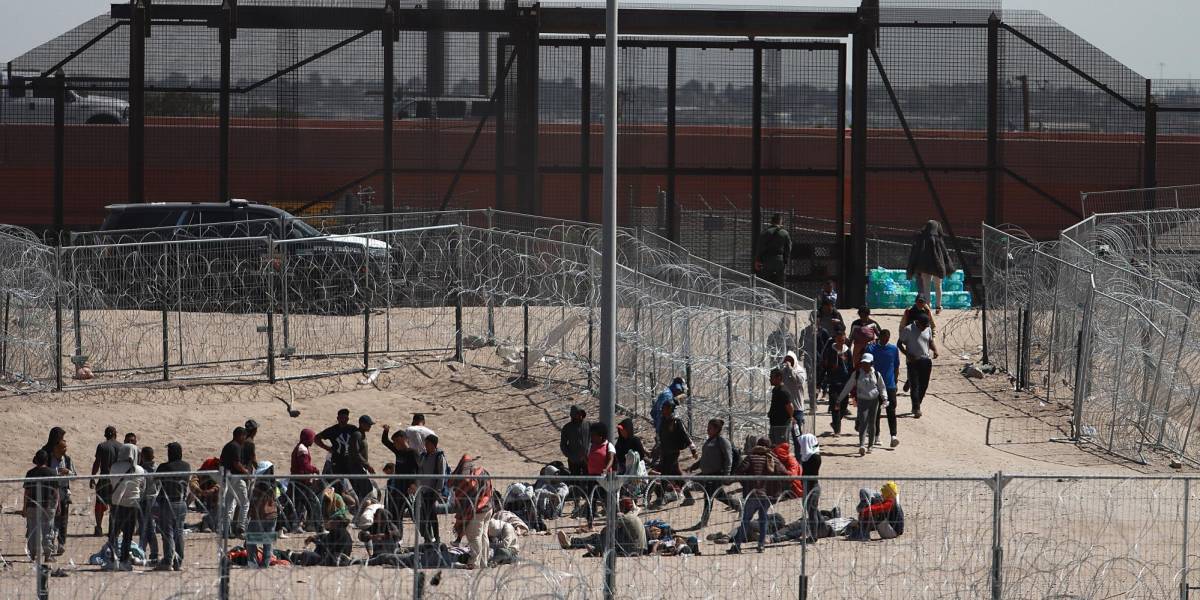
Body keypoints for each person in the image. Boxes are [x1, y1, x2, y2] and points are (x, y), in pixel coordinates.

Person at [727, 438, 785, 554]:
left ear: (757, 445)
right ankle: (761, 545)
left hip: (752, 494)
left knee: (745, 521)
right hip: (766, 496)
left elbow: (739, 471)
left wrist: (746, 483)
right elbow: (784, 472)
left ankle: (737, 545)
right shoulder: (772, 458)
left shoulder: (751, 457)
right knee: (763, 521)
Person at [687, 418, 739, 528]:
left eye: (710, 428)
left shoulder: (722, 441)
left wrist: (726, 475)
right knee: (720, 496)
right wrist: (695, 465)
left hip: (716, 475)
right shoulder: (709, 441)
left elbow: (729, 459)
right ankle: (739, 507)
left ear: (716, 429)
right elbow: (705, 458)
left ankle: (703, 522)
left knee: (709, 497)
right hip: (707, 475)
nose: (707, 430)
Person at [556, 497, 647, 558]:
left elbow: (606, 530)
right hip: (640, 549)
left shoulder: (625, 517)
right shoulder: (634, 516)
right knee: (608, 536)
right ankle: (595, 548)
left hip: (629, 549)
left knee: (598, 537)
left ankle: (572, 542)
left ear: (623, 508)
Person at [836, 353, 887, 456]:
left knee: (872, 423)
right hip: (862, 401)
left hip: (874, 401)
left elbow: (882, 387)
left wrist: (885, 399)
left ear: (871, 363)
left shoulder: (877, 374)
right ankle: (862, 445)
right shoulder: (857, 374)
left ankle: (870, 445)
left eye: (867, 363)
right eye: (863, 363)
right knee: (863, 422)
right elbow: (848, 386)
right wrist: (839, 399)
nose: (864, 365)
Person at [451, 455, 494, 569]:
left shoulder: (469, 480)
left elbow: (468, 497)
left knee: (474, 537)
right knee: (483, 536)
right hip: (487, 507)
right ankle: (483, 562)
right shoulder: (482, 473)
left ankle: (474, 562)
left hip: (478, 510)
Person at [107, 443, 145, 571]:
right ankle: (124, 560)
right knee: (128, 535)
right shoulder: (139, 469)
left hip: (116, 504)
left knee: (113, 534)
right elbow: (142, 487)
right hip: (131, 505)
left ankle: (112, 560)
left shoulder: (113, 467)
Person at [652, 401, 697, 507]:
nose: (663, 410)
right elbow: (661, 437)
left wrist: (693, 449)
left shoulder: (676, 422)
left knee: (664, 474)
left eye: (665, 408)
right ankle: (689, 497)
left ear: (670, 409)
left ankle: (660, 498)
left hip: (673, 453)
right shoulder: (663, 421)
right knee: (676, 476)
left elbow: (686, 436)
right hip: (665, 453)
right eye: (663, 408)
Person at [155, 442, 191, 571]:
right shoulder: (186, 466)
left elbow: (155, 481)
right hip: (181, 503)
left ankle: (168, 561)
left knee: (167, 533)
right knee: (179, 533)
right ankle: (178, 561)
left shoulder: (164, 467)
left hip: (167, 503)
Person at [381, 423, 420, 536]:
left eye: (397, 441)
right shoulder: (398, 451)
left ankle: (428, 537)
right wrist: (386, 431)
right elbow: (385, 441)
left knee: (415, 515)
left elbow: (418, 470)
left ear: (404, 439)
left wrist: (414, 484)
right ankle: (398, 536)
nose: (395, 444)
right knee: (397, 513)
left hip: (410, 488)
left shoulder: (413, 453)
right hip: (399, 487)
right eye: (394, 442)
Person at [906, 220, 953, 314]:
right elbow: (944, 253)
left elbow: (915, 252)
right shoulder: (938, 239)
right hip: (938, 266)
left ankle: (927, 307)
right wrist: (948, 265)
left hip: (924, 266)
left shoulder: (921, 238)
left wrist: (914, 265)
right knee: (938, 286)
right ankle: (938, 306)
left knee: (926, 287)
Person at [866, 329, 902, 448]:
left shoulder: (893, 349)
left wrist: (895, 382)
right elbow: (865, 365)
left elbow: (896, 366)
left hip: (890, 385)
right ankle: (876, 435)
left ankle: (893, 436)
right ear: (879, 337)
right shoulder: (871, 349)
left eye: (887, 338)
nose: (885, 340)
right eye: (883, 338)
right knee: (876, 412)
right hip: (875, 385)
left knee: (891, 411)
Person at [898, 315, 938, 419]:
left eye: (926, 326)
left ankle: (917, 403)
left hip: (926, 360)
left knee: (924, 385)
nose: (924, 328)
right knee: (915, 385)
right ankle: (916, 408)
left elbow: (930, 341)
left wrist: (935, 350)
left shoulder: (927, 329)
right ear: (917, 322)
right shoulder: (908, 329)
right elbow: (899, 344)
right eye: (923, 326)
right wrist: (907, 354)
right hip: (912, 362)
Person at [42, 427, 73, 556]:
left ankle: (61, 543)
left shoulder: (67, 459)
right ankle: (50, 543)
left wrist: (68, 473)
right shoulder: (46, 454)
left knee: (63, 519)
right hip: (50, 491)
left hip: (64, 491)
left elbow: (74, 474)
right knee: (51, 519)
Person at [24, 450, 59, 564]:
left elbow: (27, 492)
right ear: (46, 460)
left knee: (32, 531)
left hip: (32, 505)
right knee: (48, 531)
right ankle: (48, 555)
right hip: (48, 506)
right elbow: (55, 492)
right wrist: (57, 506)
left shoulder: (30, 473)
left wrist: (24, 507)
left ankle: (33, 554)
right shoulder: (53, 473)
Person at [582, 423, 615, 529]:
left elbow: (611, 459)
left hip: (604, 478)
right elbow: (589, 460)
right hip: (592, 477)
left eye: (594, 435)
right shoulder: (592, 446)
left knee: (607, 500)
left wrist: (606, 469)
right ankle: (590, 523)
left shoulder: (608, 445)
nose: (592, 437)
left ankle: (611, 522)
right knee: (591, 500)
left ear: (601, 436)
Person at [90, 426, 122, 537]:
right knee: (115, 505)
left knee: (99, 504)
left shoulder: (102, 446)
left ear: (105, 435)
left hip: (104, 478)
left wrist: (92, 477)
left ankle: (98, 528)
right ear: (115, 434)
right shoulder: (121, 446)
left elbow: (97, 463)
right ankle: (113, 529)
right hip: (117, 479)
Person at [289, 429, 321, 534]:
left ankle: (299, 524)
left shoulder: (301, 447)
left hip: (300, 480)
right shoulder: (302, 450)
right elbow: (305, 466)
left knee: (300, 503)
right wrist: (315, 470)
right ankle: (314, 525)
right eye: (311, 438)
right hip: (301, 482)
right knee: (311, 503)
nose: (313, 440)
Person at [417, 434, 447, 544]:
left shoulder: (439, 457)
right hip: (423, 489)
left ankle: (436, 538)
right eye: (425, 443)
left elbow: (442, 475)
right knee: (426, 515)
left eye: (428, 444)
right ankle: (428, 538)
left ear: (434, 445)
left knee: (431, 514)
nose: (426, 446)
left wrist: (438, 491)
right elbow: (420, 469)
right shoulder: (424, 455)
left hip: (432, 490)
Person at [220, 427, 251, 536]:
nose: (244, 439)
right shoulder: (236, 446)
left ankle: (226, 530)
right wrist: (247, 473)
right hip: (236, 478)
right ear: (240, 436)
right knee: (245, 503)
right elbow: (236, 464)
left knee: (229, 504)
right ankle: (241, 528)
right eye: (244, 437)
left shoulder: (228, 446)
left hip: (227, 478)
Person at [822, 328, 853, 435]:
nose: (841, 342)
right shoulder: (830, 350)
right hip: (833, 382)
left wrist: (852, 380)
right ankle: (837, 429)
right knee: (835, 404)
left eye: (843, 340)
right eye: (839, 340)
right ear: (836, 339)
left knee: (843, 407)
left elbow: (851, 366)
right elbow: (824, 365)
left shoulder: (847, 350)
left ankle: (835, 423)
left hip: (845, 382)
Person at [246, 471, 278, 568]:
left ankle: (253, 562)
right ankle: (265, 563)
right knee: (267, 541)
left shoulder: (258, 487)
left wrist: (250, 514)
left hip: (259, 516)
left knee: (250, 538)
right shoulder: (273, 485)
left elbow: (253, 502)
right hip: (272, 516)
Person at [288, 518, 353, 566]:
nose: (329, 522)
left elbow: (325, 546)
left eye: (332, 521)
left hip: (331, 561)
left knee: (305, 554)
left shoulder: (336, 531)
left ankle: (288, 555)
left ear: (337, 523)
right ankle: (289, 555)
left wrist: (313, 540)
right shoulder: (346, 533)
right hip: (342, 560)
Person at [316, 408, 358, 476]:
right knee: (338, 482)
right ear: (338, 418)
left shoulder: (353, 429)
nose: (343, 420)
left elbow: (360, 440)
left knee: (353, 481)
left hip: (350, 461)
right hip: (337, 461)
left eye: (345, 418)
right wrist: (327, 448)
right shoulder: (332, 430)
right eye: (341, 418)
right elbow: (317, 438)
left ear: (348, 419)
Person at [347, 415, 377, 507]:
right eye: (368, 424)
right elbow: (356, 453)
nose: (370, 426)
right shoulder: (357, 434)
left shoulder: (362, 434)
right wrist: (367, 465)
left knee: (365, 492)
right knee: (366, 491)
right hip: (356, 468)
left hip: (361, 467)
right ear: (361, 424)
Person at [797, 433, 823, 540]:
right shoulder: (807, 456)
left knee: (812, 512)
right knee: (812, 511)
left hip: (812, 487)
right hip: (808, 488)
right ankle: (819, 530)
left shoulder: (814, 457)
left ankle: (813, 536)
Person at [755, 213, 791, 286]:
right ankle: (780, 297)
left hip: (767, 260)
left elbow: (760, 247)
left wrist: (758, 260)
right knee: (781, 283)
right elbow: (788, 248)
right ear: (780, 221)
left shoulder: (765, 232)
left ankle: (766, 296)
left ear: (771, 222)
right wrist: (785, 259)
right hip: (780, 260)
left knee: (765, 282)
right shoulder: (784, 233)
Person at [138, 446, 160, 564]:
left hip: (145, 501)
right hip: (154, 499)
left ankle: (146, 552)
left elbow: (142, 487)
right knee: (149, 527)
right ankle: (146, 551)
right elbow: (159, 485)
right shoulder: (157, 468)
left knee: (146, 527)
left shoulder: (142, 470)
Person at [781, 351, 807, 439]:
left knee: (797, 436)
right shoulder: (783, 372)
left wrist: (791, 369)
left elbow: (799, 381)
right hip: (786, 409)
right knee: (783, 436)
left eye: (790, 360)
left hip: (797, 409)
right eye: (786, 360)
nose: (788, 362)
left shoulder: (800, 371)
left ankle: (799, 452)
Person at [559, 405, 590, 477]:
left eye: (581, 414)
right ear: (573, 415)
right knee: (575, 480)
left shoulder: (588, 425)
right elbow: (563, 444)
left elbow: (593, 440)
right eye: (577, 414)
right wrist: (570, 456)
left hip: (587, 459)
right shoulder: (567, 428)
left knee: (588, 480)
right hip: (574, 460)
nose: (580, 416)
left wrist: (589, 454)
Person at [767, 367, 794, 446]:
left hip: (781, 425)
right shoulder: (776, 390)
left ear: (779, 378)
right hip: (774, 424)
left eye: (772, 377)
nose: (770, 379)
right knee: (774, 446)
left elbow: (790, 407)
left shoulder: (783, 391)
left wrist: (790, 417)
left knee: (781, 447)